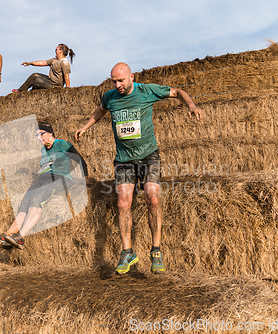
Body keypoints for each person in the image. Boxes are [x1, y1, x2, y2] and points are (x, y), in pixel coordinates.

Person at [75, 62, 205, 275]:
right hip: (123, 160)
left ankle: (156, 250)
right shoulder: (110, 97)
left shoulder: (147, 91)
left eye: (121, 80)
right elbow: (100, 110)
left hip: (148, 156)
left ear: (131, 77)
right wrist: (85, 126)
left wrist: (190, 105)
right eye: (114, 81)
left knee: (152, 198)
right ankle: (127, 252)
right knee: (122, 203)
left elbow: (178, 91)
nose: (117, 85)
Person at [0, 122, 89, 250]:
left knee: (36, 199)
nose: (39, 138)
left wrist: (86, 177)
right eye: (37, 135)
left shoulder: (62, 144)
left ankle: (20, 237)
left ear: (50, 133)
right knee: (24, 203)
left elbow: (79, 159)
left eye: (41, 134)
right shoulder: (43, 150)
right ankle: (7, 236)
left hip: (60, 179)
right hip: (44, 179)